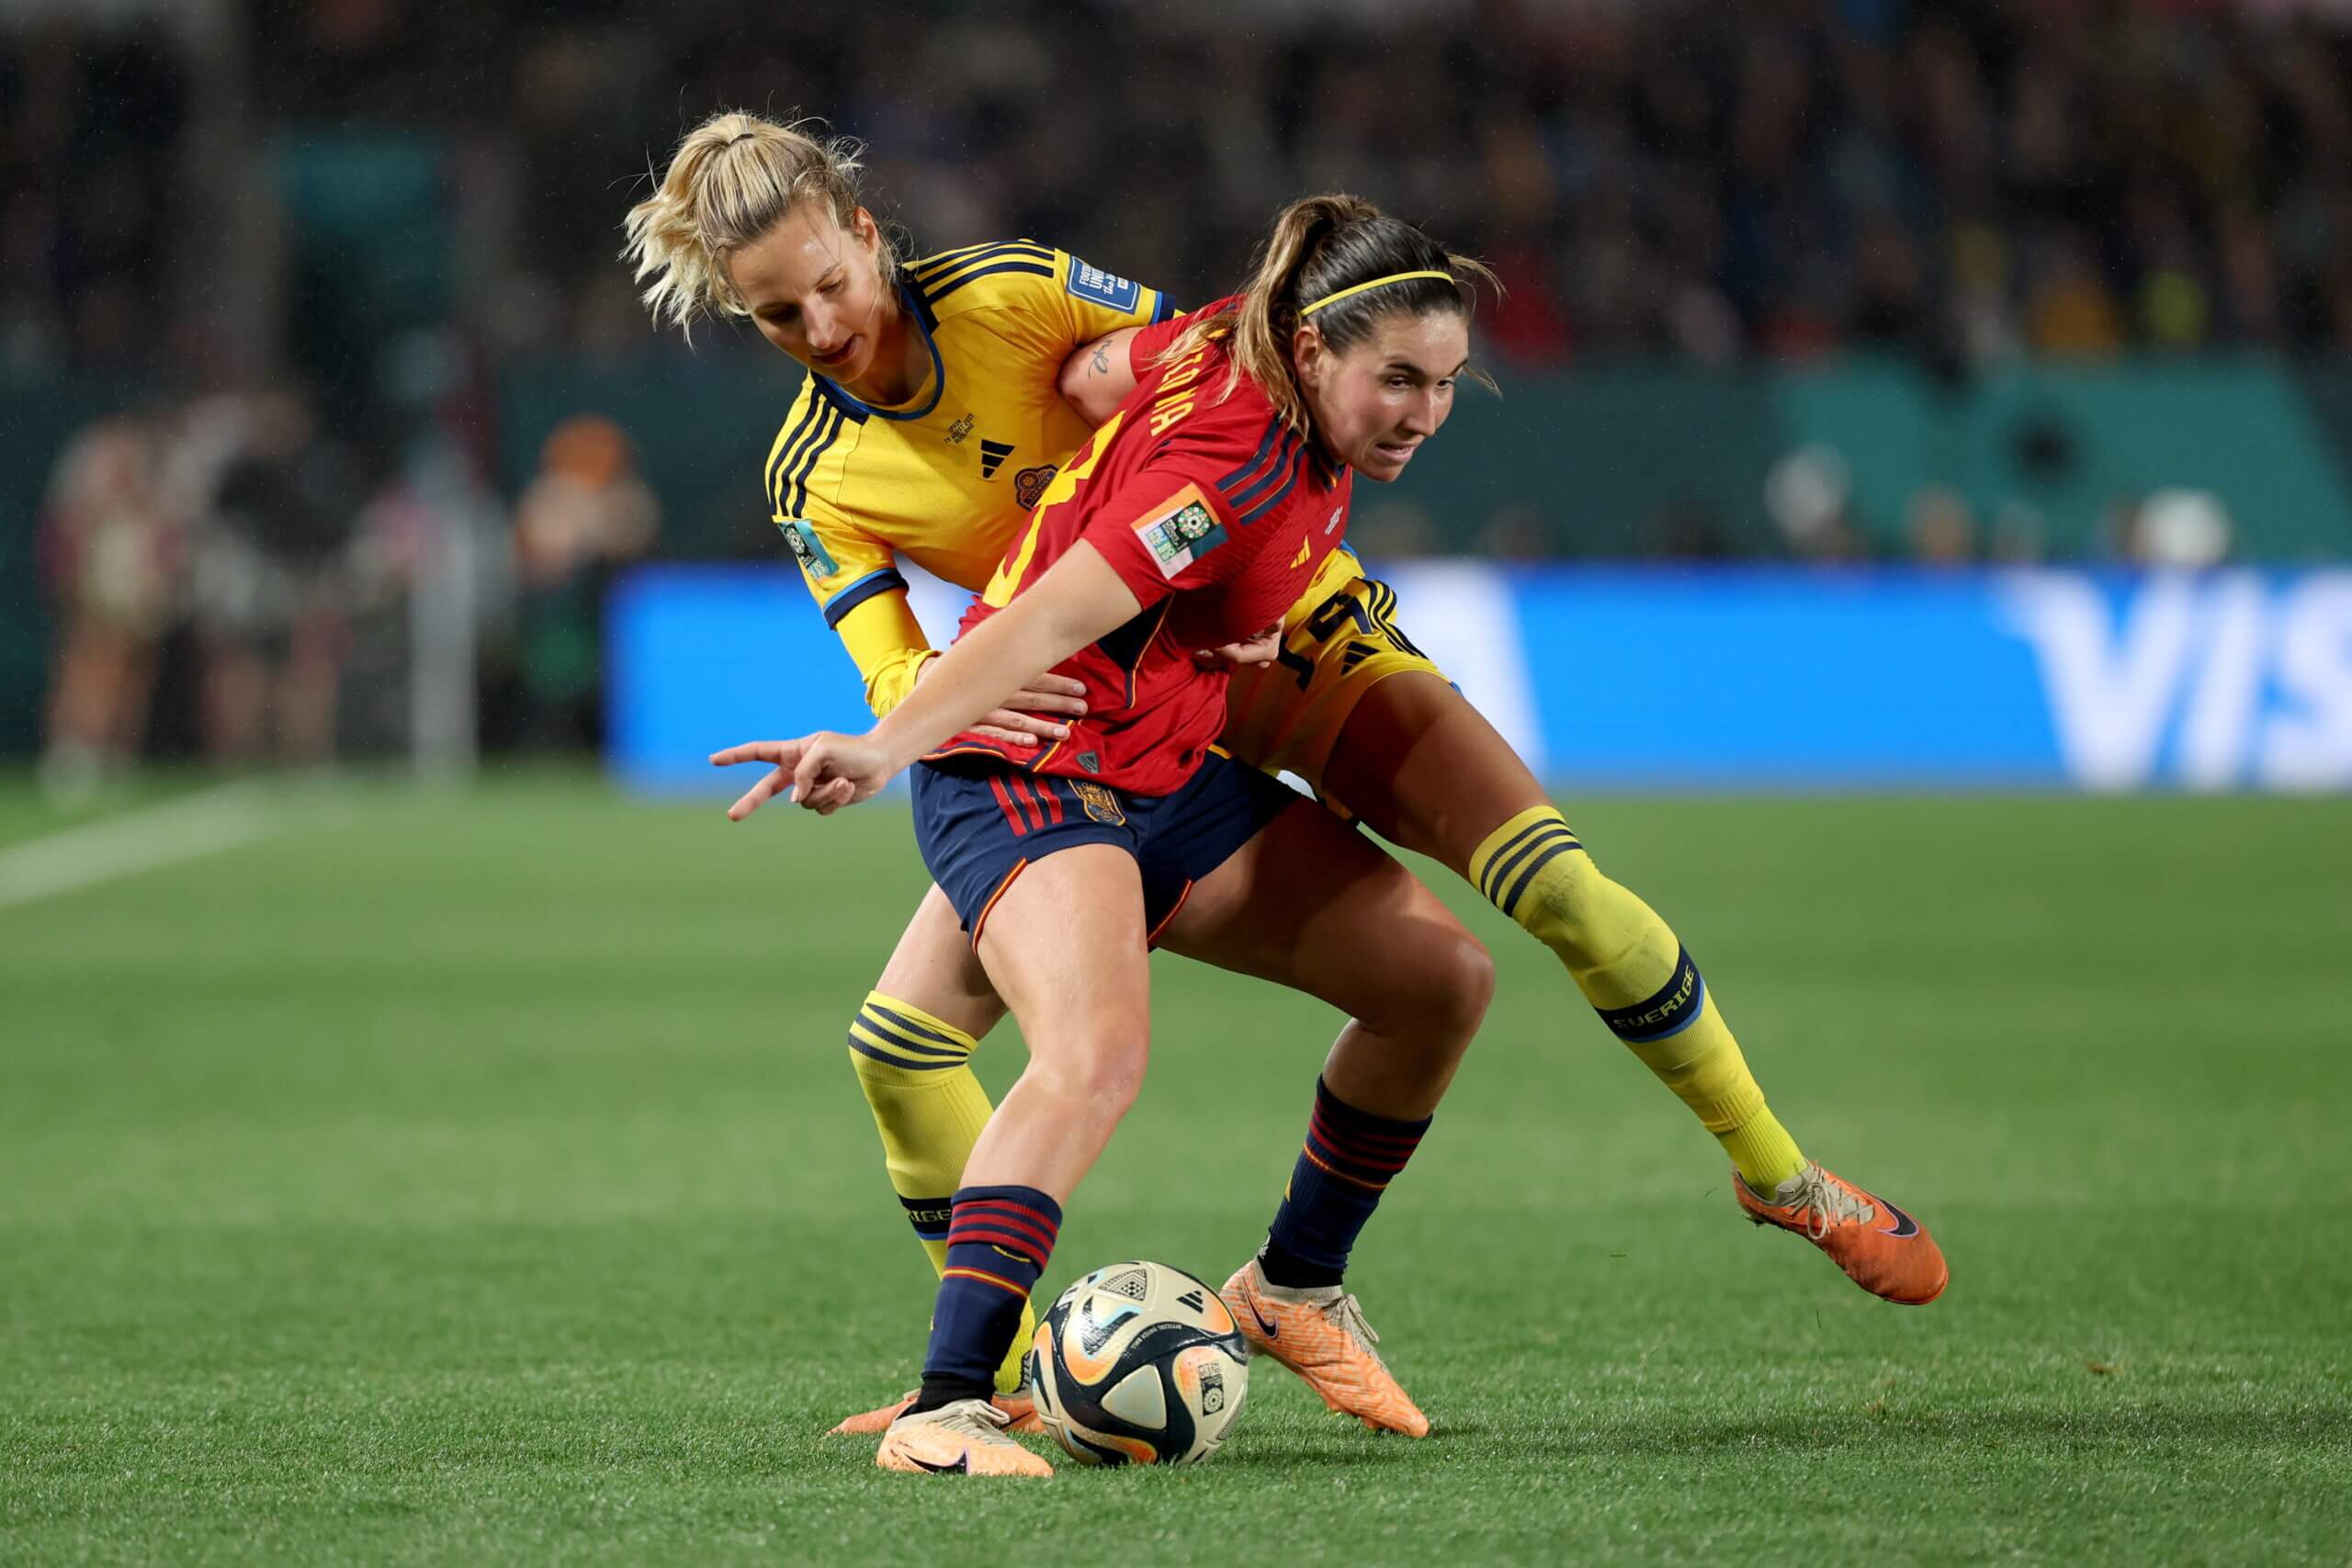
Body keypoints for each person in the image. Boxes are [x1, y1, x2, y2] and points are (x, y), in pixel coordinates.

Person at [625, 108, 1944, 1436]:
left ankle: (1777, 1176)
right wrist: (920, 710)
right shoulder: (814, 473)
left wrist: (1180, 511)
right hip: (1109, 682)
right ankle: (994, 1381)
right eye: (777, 317)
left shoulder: (1010, 292)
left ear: (868, 233)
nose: (822, 328)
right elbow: (901, 663)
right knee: (905, 1052)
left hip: (1284, 632)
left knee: (1551, 898)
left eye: (829, 287)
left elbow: (1188, 369)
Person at [708, 186, 1496, 1476]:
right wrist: (887, 739)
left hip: (1160, 765)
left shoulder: (1236, 382)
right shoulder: (1228, 461)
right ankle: (949, 1408)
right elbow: (1046, 618)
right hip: (1029, 769)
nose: (1422, 411)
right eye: (1400, 381)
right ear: (1313, 354)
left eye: (1446, 383)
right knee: (1090, 1059)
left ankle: (1293, 1286)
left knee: (1440, 982)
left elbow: (1110, 363)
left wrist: (1267, 616)